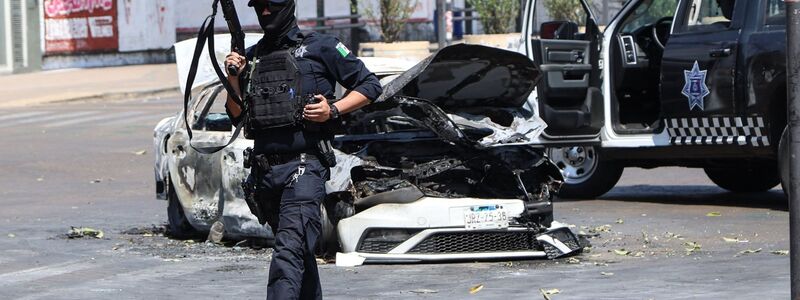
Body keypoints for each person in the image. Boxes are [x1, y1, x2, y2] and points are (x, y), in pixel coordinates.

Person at [223, 0, 382, 298]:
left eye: (271, 5)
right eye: (260, 7)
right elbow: (236, 114)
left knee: (288, 253)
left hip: (304, 169)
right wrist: (234, 76)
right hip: (266, 175)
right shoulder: (253, 57)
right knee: (299, 255)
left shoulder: (321, 47)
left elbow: (370, 85)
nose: (265, 12)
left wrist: (333, 109)